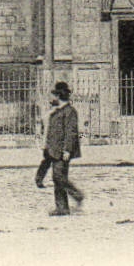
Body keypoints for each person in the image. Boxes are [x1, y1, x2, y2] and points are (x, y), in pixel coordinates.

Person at [43, 81, 84, 215]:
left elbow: (71, 132)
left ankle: (76, 195)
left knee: (58, 176)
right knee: (57, 177)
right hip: (55, 150)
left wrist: (67, 149)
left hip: (62, 151)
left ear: (58, 96)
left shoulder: (70, 111)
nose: (51, 98)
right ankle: (62, 207)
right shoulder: (57, 111)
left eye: (53, 95)